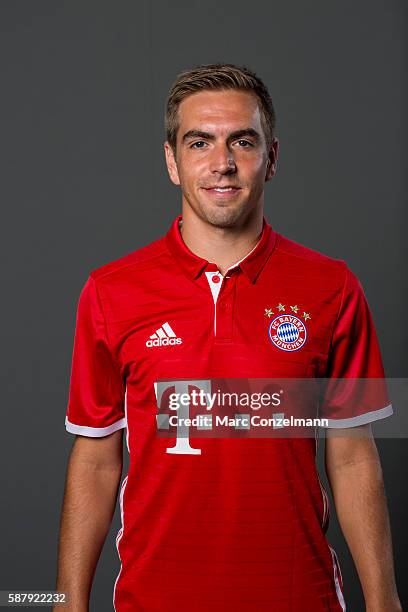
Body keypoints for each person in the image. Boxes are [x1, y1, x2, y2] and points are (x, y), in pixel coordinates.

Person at [55, 63, 402, 611]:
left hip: (298, 597)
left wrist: (385, 602)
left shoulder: (332, 287)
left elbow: (353, 455)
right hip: (156, 599)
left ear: (273, 157)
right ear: (172, 161)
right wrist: (65, 602)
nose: (222, 163)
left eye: (243, 141)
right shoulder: (110, 291)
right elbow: (96, 459)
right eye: (200, 143)